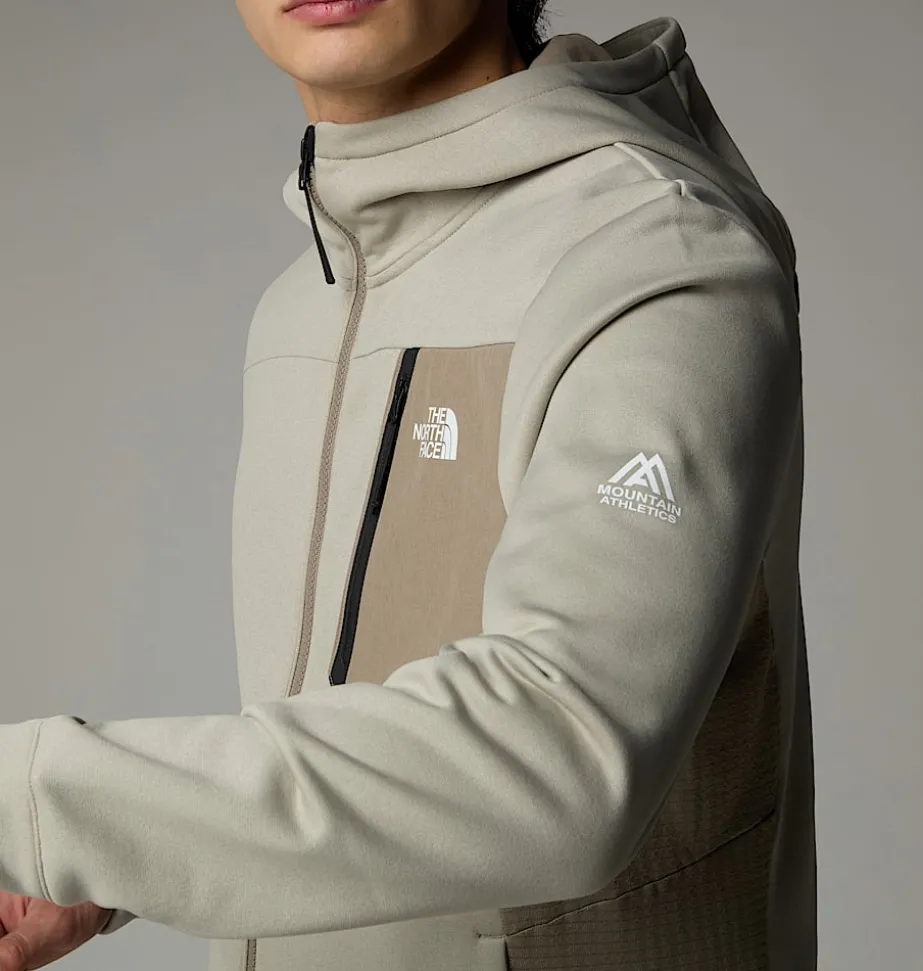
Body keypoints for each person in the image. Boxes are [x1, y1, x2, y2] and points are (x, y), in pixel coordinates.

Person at [0, 1, 816, 969]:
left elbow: (560, 759)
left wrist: (39, 803)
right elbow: (381, 767)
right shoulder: (303, 307)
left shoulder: (655, 259)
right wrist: (119, 863)